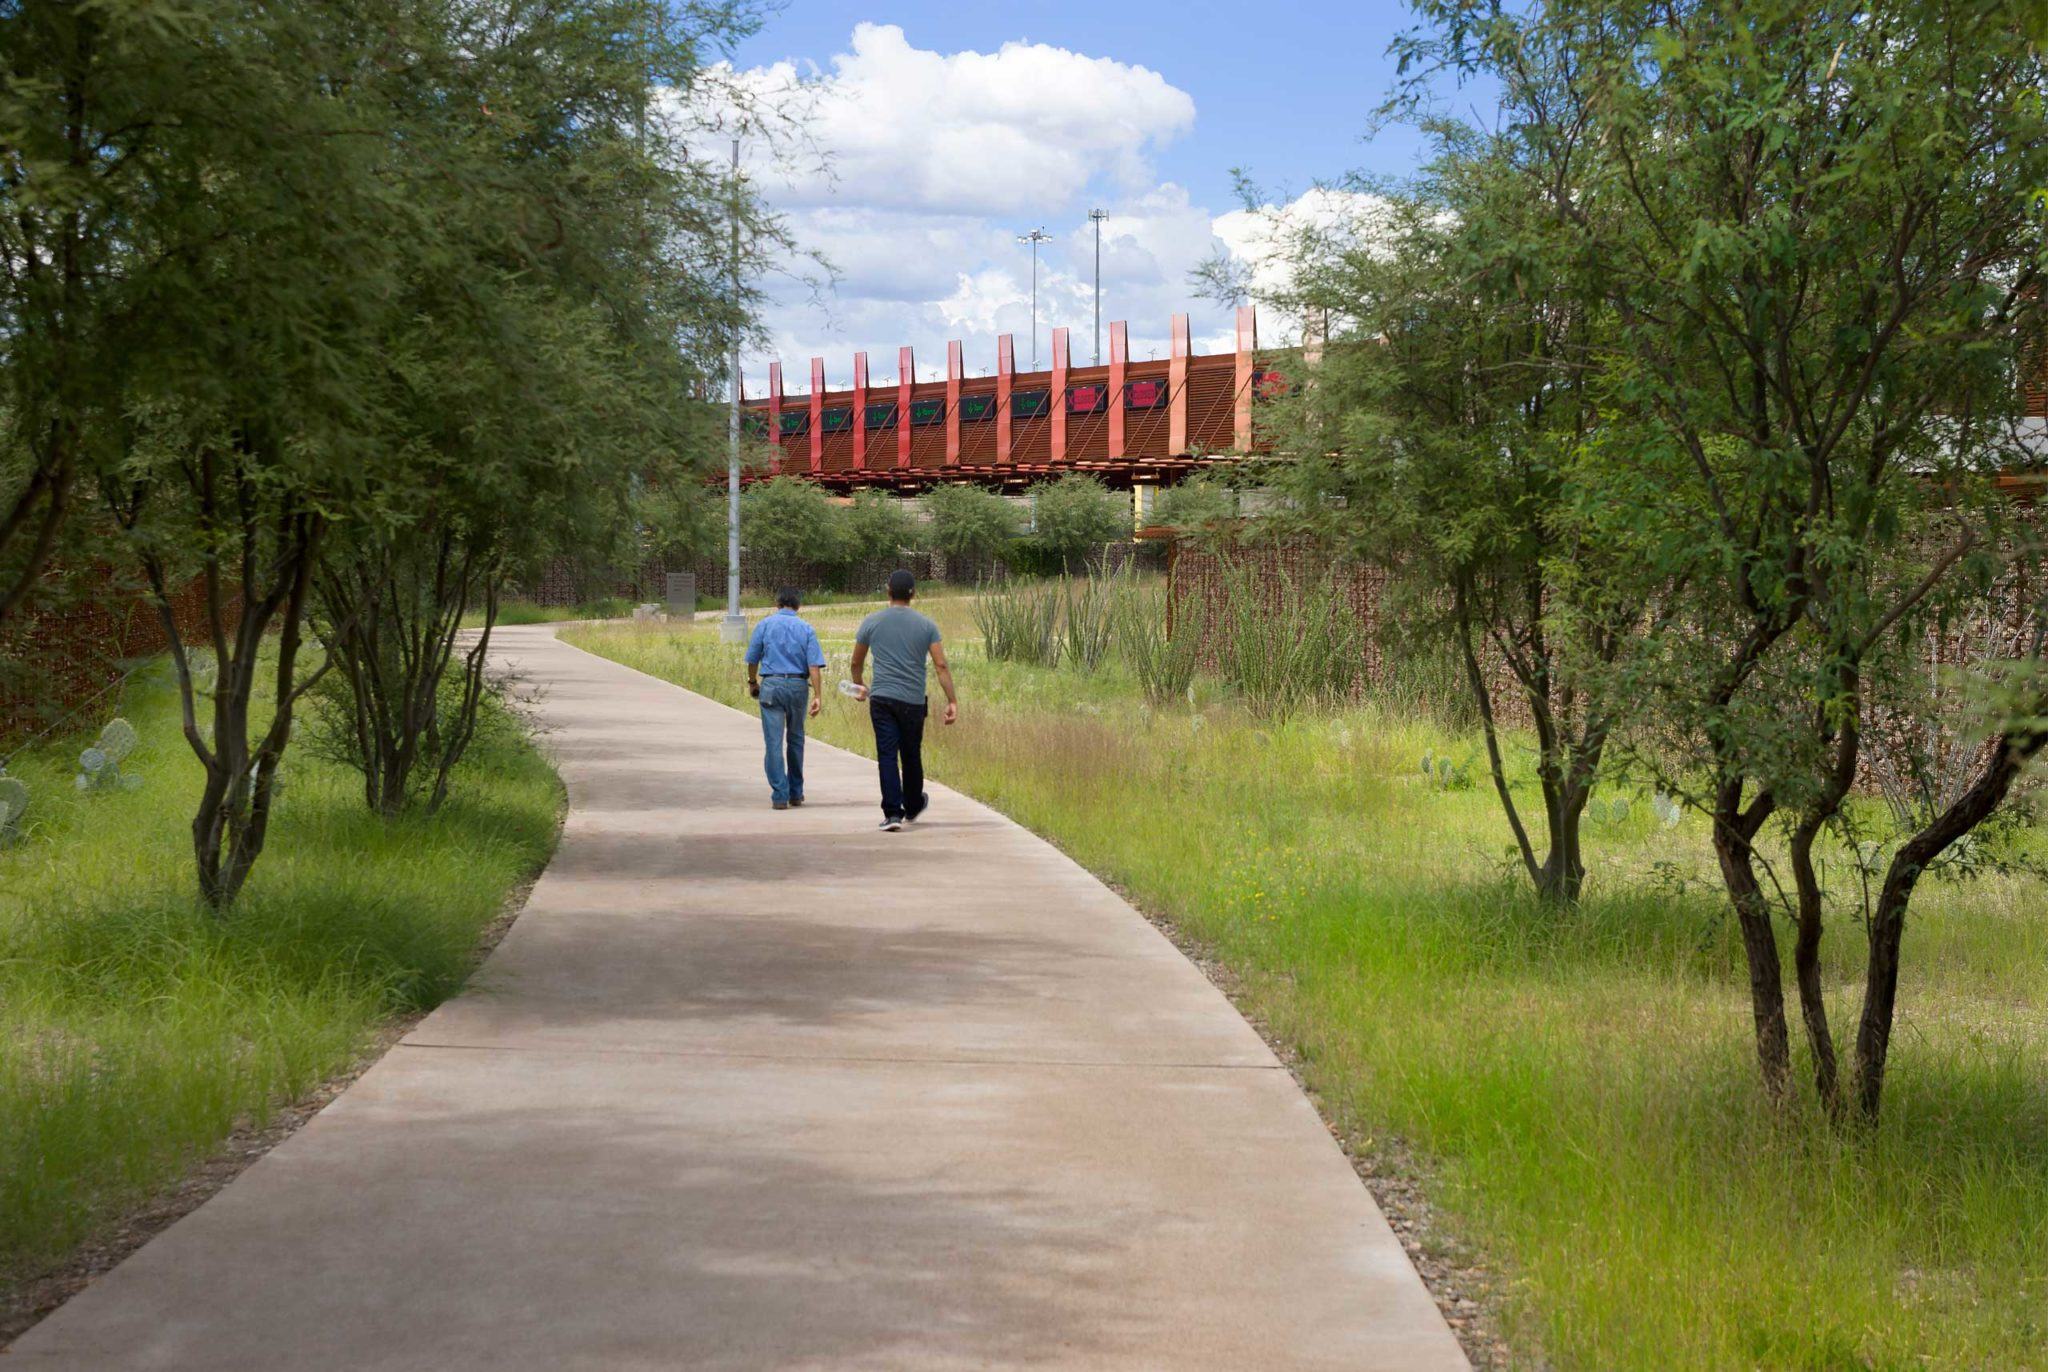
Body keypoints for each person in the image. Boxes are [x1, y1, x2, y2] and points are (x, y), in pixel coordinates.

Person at [847, 569, 957, 832]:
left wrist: (859, 684)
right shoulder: (927, 625)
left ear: (888, 591)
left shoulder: (872, 622)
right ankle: (914, 804)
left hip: (882, 698)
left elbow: (855, 661)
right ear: (913, 594)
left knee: (887, 754)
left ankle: (893, 813)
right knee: (910, 754)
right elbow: (941, 665)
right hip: (913, 701)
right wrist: (952, 700)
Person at [744, 587, 825, 810]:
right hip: (799, 686)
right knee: (796, 739)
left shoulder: (765, 625)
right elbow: (814, 666)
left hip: (771, 685)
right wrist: (818, 695)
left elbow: (752, 659)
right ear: (798, 606)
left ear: (777, 603)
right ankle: (796, 792)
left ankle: (780, 794)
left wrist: (753, 682)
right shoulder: (806, 628)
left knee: (773, 742)